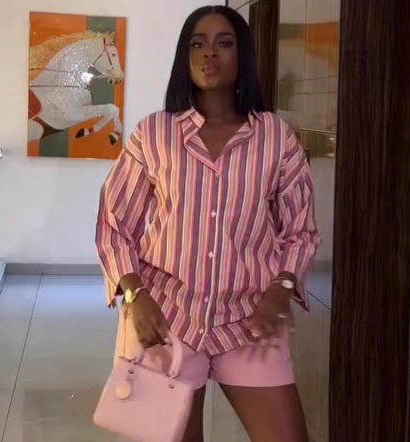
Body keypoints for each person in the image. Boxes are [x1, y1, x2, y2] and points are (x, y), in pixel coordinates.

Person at [95, 5, 321, 442]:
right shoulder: (154, 134)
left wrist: (281, 288)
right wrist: (135, 296)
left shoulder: (275, 137)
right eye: (198, 43)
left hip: (252, 322)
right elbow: (114, 224)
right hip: (165, 321)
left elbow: (300, 231)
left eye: (224, 43)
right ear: (186, 55)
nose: (209, 53)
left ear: (243, 55)